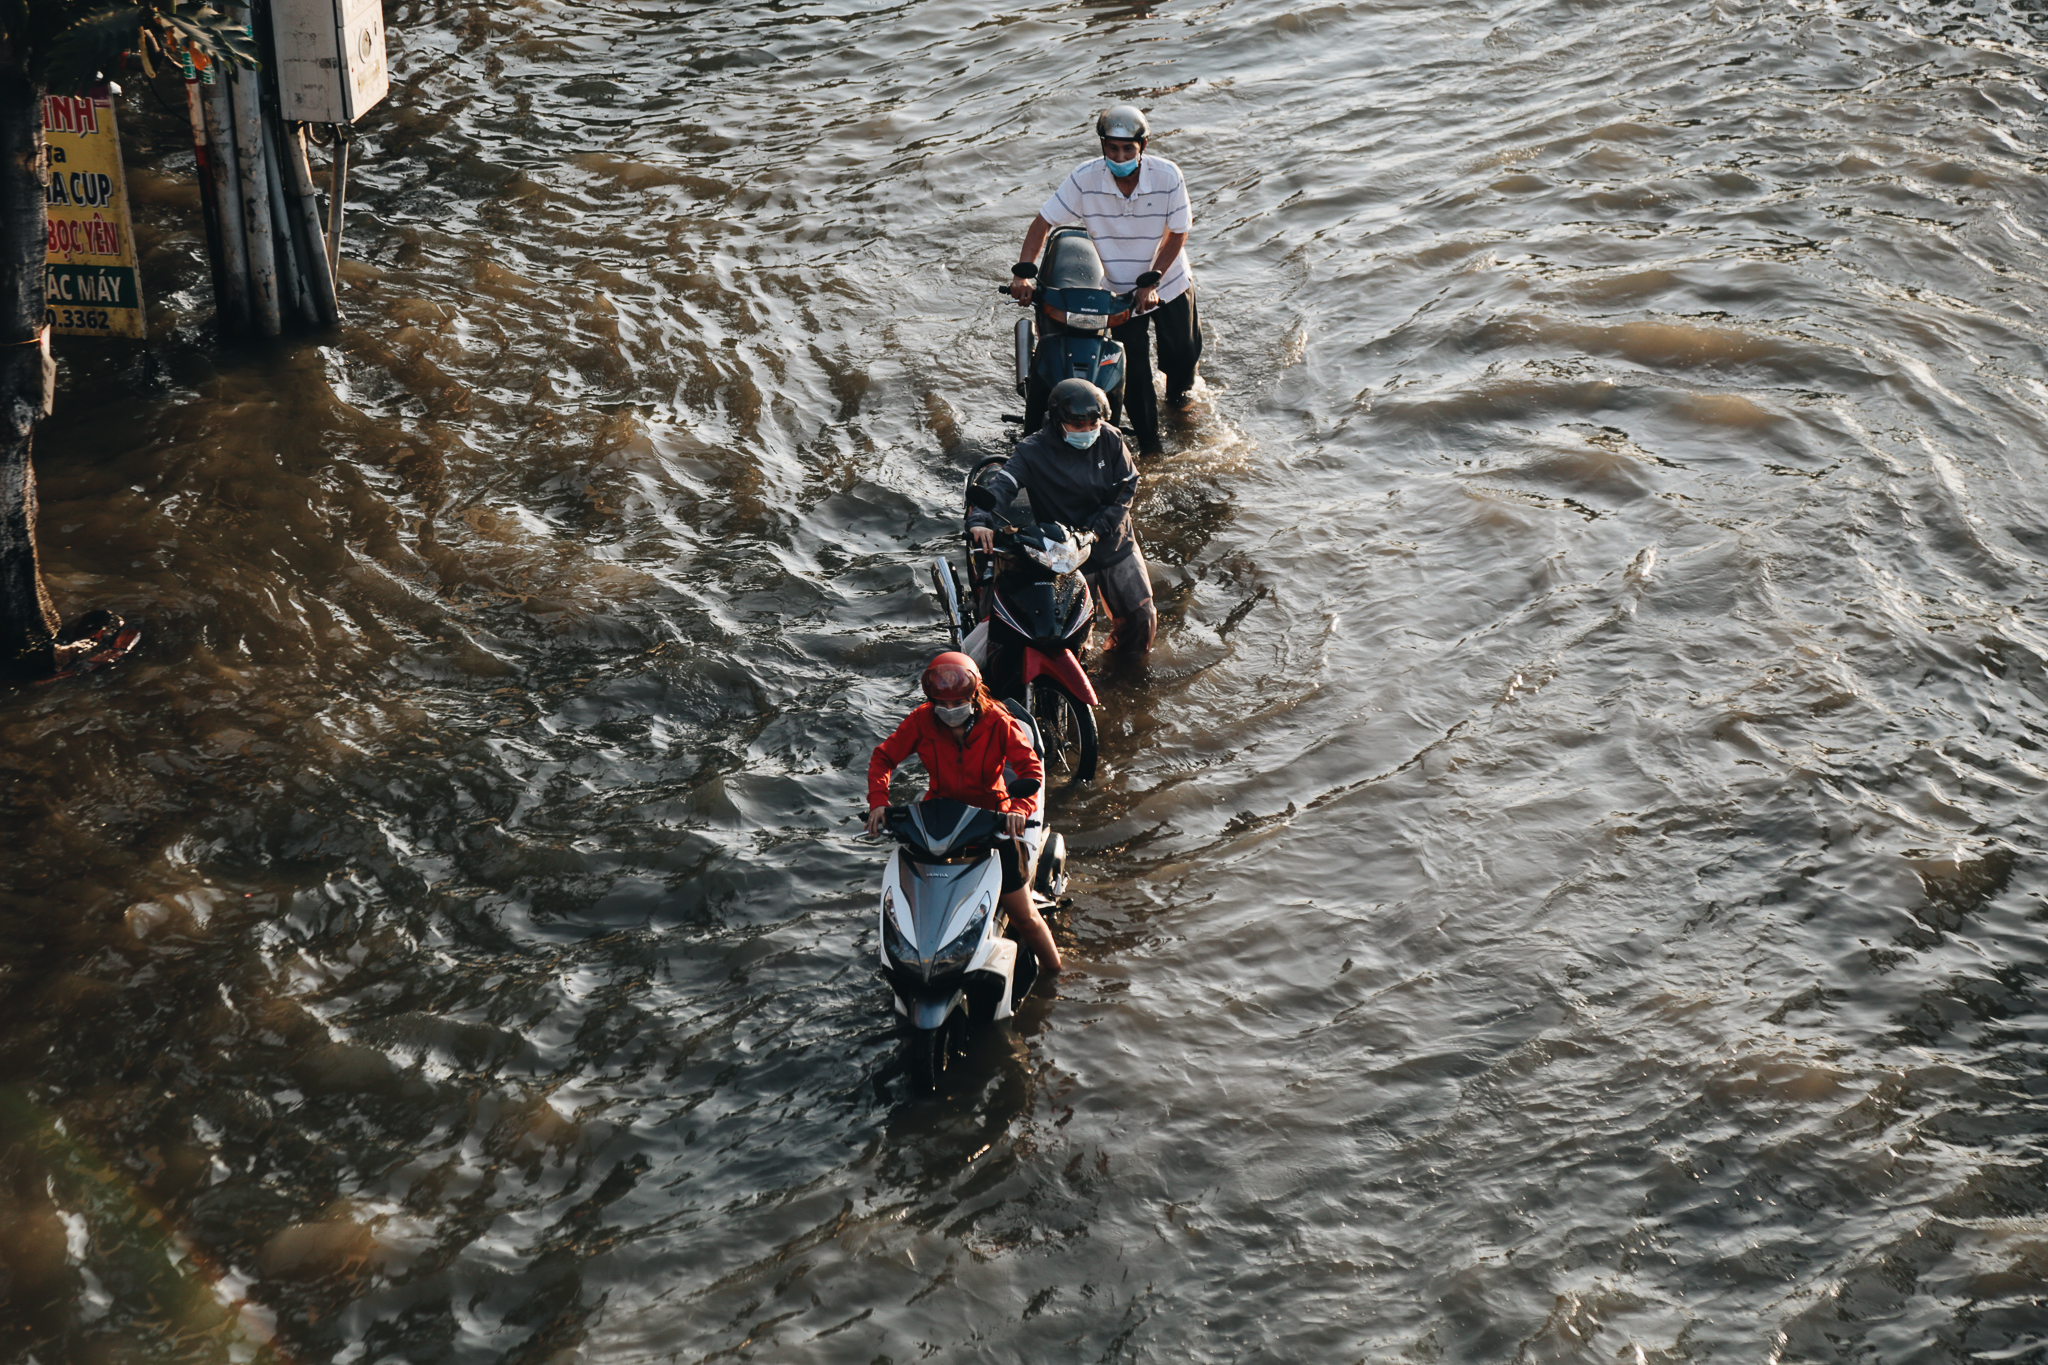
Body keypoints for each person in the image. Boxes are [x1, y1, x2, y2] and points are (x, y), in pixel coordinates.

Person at [1007, 104, 1201, 457]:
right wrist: (1022, 271)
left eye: (1128, 149)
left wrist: (1153, 280)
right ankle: (1150, 446)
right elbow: (1042, 222)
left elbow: (1178, 233)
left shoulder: (1168, 176)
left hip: (1167, 281)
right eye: (1112, 148)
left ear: (1143, 146)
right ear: (1102, 146)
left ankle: (1179, 403)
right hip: (1120, 291)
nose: (1120, 156)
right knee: (1136, 370)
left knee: (1182, 355)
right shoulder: (1086, 178)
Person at [865, 651, 1063, 973]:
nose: (949, 711)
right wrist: (878, 802)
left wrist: (1019, 808)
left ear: (974, 695)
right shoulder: (921, 721)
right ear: (931, 700)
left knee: (1025, 917)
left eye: (958, 703)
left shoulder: (998, 721)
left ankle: (1058, 974)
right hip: (938, 823)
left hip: (994, 824)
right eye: (941, 704)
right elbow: (883, 758)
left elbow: (1030, 769)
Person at [969, 378, 1155, 657]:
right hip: (1066, 552)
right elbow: (1002, 486)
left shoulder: (1112, 439)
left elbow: (1127, 488)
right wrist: (979, 520)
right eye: (1079, 426)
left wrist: (1095, 531)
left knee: (1141, 617)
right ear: (1058, 421)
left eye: (1094, 424)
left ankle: (1123, 669)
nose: (1089, 431)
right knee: (1075, 633)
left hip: (1114, 542)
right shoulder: (1032, 451)